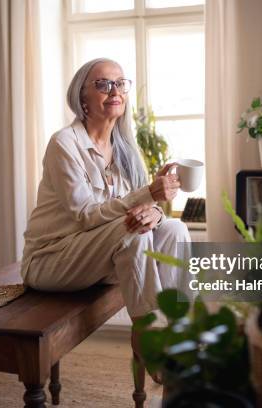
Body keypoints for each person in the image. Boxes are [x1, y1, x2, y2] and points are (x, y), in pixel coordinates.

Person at [20, 57, 190, 370]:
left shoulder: (124, 146)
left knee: (176, 230)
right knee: (131, 232)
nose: (115, 90)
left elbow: (141, 208)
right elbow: (86, 215)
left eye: (120, 83)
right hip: (51, 259)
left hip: (97, 255)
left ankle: (178, 329)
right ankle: (147, 334)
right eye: (102, 84)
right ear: (81, 97)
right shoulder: (64, 144)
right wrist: (149, 195)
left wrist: (155, 213)